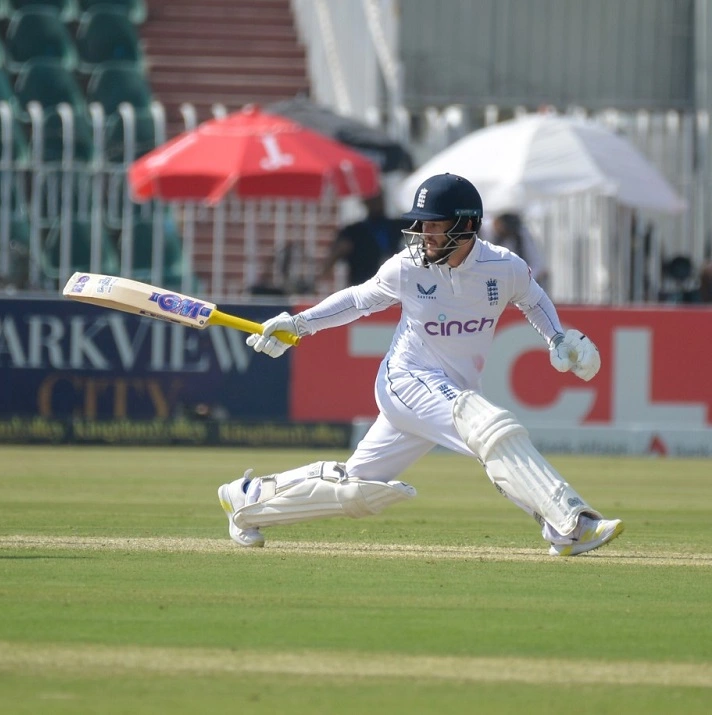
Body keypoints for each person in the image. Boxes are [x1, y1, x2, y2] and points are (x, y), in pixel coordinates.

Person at [220, 173, 623, 557]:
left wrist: (556, 337)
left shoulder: (505, 268)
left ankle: (249, 498)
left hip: (452, 388)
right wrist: (298, 323)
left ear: (467, 226)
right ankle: (571, 524)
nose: (424, 233)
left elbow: (533, 299)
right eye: (421, 224)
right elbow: (358, 300)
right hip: (407, 380)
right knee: (488, 425)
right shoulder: (407, 267)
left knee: (357, 487)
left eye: (434, 225)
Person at [318, 190, 406, 289]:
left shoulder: (395, 226)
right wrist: (327, 268)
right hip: (362, 285)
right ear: (365, 202)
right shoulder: (354, 231)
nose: (376, 203)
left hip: (390, 285)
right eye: (373, 199)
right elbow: (338, 250)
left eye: (378, 199)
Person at [487, 212, 549, 289]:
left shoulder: (520, 234)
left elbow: (537, 263)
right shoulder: (483, 231)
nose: (506, 233)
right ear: (496, 221)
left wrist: (526, 279)